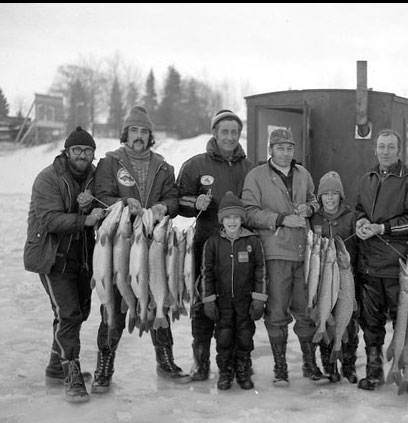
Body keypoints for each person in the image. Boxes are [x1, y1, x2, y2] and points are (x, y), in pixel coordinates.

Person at [92, 105, 186, 392]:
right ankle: (104, 366)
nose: (139, 136)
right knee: (114, 304)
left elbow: (174, 199)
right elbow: (101, 195)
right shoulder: (110, 163)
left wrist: (162, 207)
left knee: (159, 296)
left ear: (150, 136)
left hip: (153, 242)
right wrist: (123, 204)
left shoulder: (163, 166)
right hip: (120, 243)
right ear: (125, 133)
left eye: (144, 131)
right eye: (134, 130)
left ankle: (165, 359)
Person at [24, 126, 105, 403]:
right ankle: (71, 374)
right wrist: (85, 219)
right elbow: (49, 220)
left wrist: (96, 209)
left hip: (82, 258)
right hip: (52, 256)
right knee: (68, 314)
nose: (82, 155)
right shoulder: (48, 178)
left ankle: (56, 368)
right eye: (77, 150)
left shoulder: (95, 177)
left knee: (78, 313)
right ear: (67, 152)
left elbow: (104, 203)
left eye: (87, 150)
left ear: (93, 153)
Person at [177, 109, 252, 382]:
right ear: (214, 133)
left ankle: (233, 363)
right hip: (206, 246)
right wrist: (193, 203)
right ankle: (201, 363)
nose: (230, 137)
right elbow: (177, 201)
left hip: (239, 247)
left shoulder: (250, 167)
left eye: (235, 132)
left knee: (235, 306)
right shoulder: (196, 165)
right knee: (203, 304)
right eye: (225, 131)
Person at [241, 127, 320, 386]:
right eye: (280, 148)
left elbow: (314, 200)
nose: (285, 153)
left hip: (305, 253)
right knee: (276, 312)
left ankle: (310, 363)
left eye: (289, 148)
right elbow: (249, 212)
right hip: (274, 253)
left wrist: (309, 207)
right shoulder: (257, 176)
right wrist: (281, 219)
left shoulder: (303, 174)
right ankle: (280, 367)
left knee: (306, 309)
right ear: (270, 150)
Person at [354, 128, 408, 391]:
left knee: (405, 323)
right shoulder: (367, 178)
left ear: (399, 151)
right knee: (371, 322)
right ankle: (374, 370)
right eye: (381, 146)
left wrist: (383, 228)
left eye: (390, 147)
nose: (385, 151)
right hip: (369, 264)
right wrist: (361, 221)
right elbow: (359, 209)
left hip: (399, 266)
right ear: (375, 149)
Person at [201, 191, 267, 391]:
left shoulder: (252, 241)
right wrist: (208, 299)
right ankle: (225, 371)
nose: (232, 221)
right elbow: (206, 272)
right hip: (222, 302)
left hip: (245, 300)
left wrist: (259, 298)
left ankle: (243, 370)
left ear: (241, 219)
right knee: (224, 336)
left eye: (236, 217)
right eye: (227, 217)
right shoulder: (213, 243)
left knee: (245, 336)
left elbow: (261, 270)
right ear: (222, 220)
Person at [310, 171, 360, 384]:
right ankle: (329, 366)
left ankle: (348, 365)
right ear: (319, 197)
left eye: (334, 193)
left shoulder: (351, 217)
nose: (330, 198)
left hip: (346, 277)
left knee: (349, 323)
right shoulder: (314, 218)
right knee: (325, 318)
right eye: (325, 194)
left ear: (341, 196)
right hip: (324, 280)